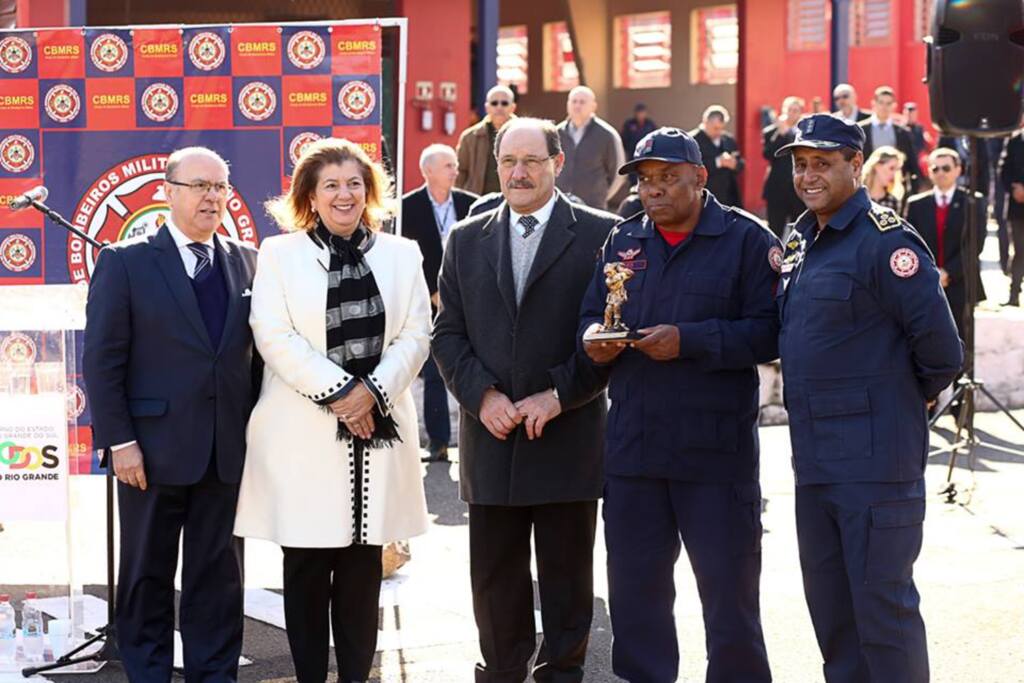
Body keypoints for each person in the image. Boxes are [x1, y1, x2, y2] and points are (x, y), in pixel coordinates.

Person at [579, 126, 779, 683]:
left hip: (715, 456)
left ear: (700, 176)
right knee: (636, 601)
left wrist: (690, 341)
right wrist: (593, 338)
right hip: (635, 453)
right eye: (645, 179)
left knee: (730, 604)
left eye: (668, 177)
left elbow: (770, 332)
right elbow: (592, 313)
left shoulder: (745, 239)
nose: (654, 189)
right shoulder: (623, 240)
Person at [774, 114, 963, 683]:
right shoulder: (802, 241)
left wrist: (895, 403)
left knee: (883, 616)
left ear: (856, 165)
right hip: (815, 462)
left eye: (822, 163)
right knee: (834, 618)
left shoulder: (886, 242)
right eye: (800, 164)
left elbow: (941, 353)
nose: (808, 176)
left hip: (876, 465)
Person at [234, 138, 431, 683]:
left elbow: (417, 334)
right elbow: (273, 335)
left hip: (379, 435)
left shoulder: (402, 254)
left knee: (363, 572)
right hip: (301, 438)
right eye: (331, 185)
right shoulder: (279, 254)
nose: (344, 195)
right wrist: (344, 393)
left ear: (369, 191)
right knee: (305, 569)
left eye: (354, 184)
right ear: (310, 196)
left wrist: (373, 392)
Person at [432, 117, 617, 682]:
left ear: (556, 164)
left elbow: (609, 336)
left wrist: (560, 394)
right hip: (492, 437)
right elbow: (448, 334)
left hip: (566, 435)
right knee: (495, 580)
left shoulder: (601, 235)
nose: (518, 173)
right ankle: (502, 672)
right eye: (508, 162)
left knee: (566, 579)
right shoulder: (466, 238)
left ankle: (562, 672)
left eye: (531, 161)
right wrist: (481, 395)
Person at [82, 147, 258, 681]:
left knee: (219, 579)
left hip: (225, 451)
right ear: (168, 192)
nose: (211, 197)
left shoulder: (249, 260)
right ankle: (148, 672)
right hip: (149, 453)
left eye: (220, 187)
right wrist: (119, 442)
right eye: (199, 186)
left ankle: (214, 674)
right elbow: (103, 360)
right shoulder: (125, 261)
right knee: (146, 576)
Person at [401, 143, 477, 462]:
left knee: (474, 369)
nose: (455, 170)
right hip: (429, 300)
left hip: (469, 299)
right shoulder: (407, 207)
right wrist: (432, 290)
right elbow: (406, 257)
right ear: (427, 170)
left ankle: (476, 442)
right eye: (448, 165)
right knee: (434, 372)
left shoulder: (471, 204)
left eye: (455, 165)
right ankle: (438, 442)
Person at [906, 147, 987, 339]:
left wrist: (948, 272)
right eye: (935, 168)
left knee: (961, 338)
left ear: (958, 170)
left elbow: (975, 244)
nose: (941, 173)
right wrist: (932, 273)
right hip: (925, 282)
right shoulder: (916, 204)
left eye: (946, 168)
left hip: (961, 282)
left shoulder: (973, 202)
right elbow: (910, 243)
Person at [556, 85, 627, 210]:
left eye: (582, 102)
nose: (577, 106)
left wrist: (601, 196)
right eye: (574, 101)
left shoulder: (607, 135)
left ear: (593, 106)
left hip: (593, 208)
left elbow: (618, 173)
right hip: (560, 207)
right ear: (568, 104)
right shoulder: (556, 134)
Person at [456, 85, 517, 195]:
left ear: (513, 107)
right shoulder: (470, 137)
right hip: (478, 199)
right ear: (487, 107)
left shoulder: (525, 136)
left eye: (504, 103)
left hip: (516, 198)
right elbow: (460, 172)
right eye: (494, 103)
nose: (499, 107)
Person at [762, 96, 806, 236]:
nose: (792, 113)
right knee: (774, 230)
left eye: (795, 110)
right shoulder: (771, 132)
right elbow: (768, 154)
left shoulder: (805, 132)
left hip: (798, 189)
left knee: (799, 230)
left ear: (800, 113)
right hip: (777, 188)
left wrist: (787, 133)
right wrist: (780, 135)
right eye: (789, 110)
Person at [859, 86, 919, 190]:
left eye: (888, 103)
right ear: (874, 103)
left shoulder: (903, 132)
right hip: (867, 185)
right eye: (881, 102)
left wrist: (914, 188)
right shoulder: (861, 130)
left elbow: (912, 164)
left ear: (894, 106)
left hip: (895, 187)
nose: (884, 107)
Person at [691, 105, 744, 207]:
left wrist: (734, 164)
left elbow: (741, 164)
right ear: (705, 122)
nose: (719, 132)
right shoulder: (692, 141)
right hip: (703, 198)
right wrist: (718, 162)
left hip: (728, 197)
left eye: (721, 128)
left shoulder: (728, 140)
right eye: (715, 128)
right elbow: (690, 169)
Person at [999, 126, 1024, 305]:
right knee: (1020, 250)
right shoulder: (1013, 141)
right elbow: (1003, 171)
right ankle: (1014, 294)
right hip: (1017, 207)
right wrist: (1014, 188)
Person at [862, 145, 907, 212]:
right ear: (877, 166)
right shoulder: (859, 197)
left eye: (896, 170)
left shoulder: (893, 201)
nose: (894, 174)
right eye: (891, 168)